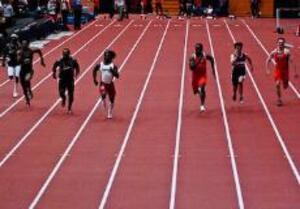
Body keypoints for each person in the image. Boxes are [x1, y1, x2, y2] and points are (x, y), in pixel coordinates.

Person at [266, 37, 298, 106]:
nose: (280, 44)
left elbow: (292, 62)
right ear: (277, 43)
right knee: (277, 84)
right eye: (279, 43)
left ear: (284, 44)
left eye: (282, 43)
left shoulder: (287, 52)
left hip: (285, 71)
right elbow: (268, 60)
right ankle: (279, 99)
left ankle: (286, 83)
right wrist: (267, 69)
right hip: (278, 70)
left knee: (285, 86)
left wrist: (295, 72)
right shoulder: (274, 52)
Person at [93, 50, 119, 119]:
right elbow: (94, 70)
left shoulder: (113, 66)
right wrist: (94, 79)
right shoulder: (100, 65)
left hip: (110, 84)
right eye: (105, 55)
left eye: (108, 56)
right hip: (103, 84)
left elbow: (117, 76)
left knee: (112, 99)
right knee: (103, 94)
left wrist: (113, 71)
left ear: (111, 57)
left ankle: (110, 112)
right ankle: (103, 98)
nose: (106, 57)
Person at [189, 43, 215, 112]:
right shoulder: (192, 57)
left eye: (199, 49)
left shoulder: (204, 55)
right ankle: (199, 92)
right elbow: (191, 68)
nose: (198, 51)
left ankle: (202, 105)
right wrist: (198, 61)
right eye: (196, 49)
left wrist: (213, 70)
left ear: (201, 49)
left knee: (201, 88)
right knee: (196, 91)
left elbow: (211, 58)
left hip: (202, 76)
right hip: (195, 77)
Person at [52, 48, 80, 114]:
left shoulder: (73, 60)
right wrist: (53, 73)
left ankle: (69, 107)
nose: (64, 55)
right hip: (62, 79)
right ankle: (63, 98)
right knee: (61, 92)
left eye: (66, 54)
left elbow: (77, 67)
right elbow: (54, 66)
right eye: (63, 54)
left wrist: (76, 74)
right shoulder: (59, 60)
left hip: (70, 80)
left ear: (69, 54)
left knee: (71, 94)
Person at [19, 39, 45, 107]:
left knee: (27, 80)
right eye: (22, 44)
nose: (23, 45)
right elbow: (18, 61)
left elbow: (39, 51)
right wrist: (22, 61)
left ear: (28, 44)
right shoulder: (19, 52)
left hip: (29, 70)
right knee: (23, 86)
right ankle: (27, 99)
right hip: (22, 71)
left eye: (25, 44)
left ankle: (29, 90)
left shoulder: (31, 50)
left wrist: (42, 60)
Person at [2, 34, 21, 98]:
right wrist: (3, 62)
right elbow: (4, 54)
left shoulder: (18, 46)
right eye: (12, 38)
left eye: (15, 39)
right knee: (10, 77)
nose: (13, 40)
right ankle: (15, 84)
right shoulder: (7, 46)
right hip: (10, 64)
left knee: (16, 77)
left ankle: (15, 91)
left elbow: (20, 54)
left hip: (17, 64)